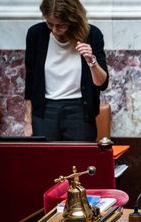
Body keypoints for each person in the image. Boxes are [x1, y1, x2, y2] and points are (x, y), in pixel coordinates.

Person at [24, 0, 109, 141]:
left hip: (80, 110)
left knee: (79, 160)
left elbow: (102, 84)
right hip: (45, 111)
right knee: (46, 160)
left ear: (73, 20)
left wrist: (92, 62)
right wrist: (28, 121)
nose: (55, 30)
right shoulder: (36, 34)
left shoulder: (92, 35)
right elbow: (30, 81)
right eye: (50, 24)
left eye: (61, 25)